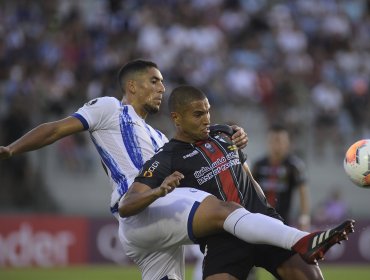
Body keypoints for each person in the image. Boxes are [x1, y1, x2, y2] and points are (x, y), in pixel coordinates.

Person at [0, 60, 352, 280]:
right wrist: (13, 148)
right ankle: (301, 240)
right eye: (154, 81)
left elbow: (213, 145)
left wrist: (230, 132)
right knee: (225, 210)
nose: (161, 88)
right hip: (140, 208)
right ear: (131, 86)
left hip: (161, 216)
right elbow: (57, 129)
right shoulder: (108, 108)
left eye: (163, 82)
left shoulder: (160, 139)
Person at [119, 85, 355, 280]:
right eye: (198, 114)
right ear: (176, 118)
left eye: (208, 111)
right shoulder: (166, 158)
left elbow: (247, 175)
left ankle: (300, 240)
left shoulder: (223, 133)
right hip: (222, 240)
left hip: (264, 224)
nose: (207, 119)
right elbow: (127, 205)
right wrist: (159, 191)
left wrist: (267, 209)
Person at [252, 123, 311, 230]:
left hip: (283, 222)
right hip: (259, 220)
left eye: (279, 140)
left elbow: (303, 192)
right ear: (268, 142)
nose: (276, 144)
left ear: (287, 143)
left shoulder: (294, 166)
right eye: (273, 140)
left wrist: (304, 217)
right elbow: (250, 189)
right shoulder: (258, 165)